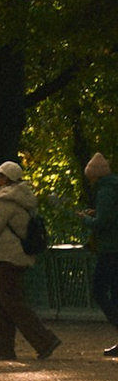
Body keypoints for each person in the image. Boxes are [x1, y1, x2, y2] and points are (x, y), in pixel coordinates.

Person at [0, 156, 61, 364]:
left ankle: (44, 340)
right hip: (18, 256)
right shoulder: (25, 200)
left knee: (12, 303)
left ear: (6, 179)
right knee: (3, 305)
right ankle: (3, 348)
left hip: (7, 256)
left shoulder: (4, 201)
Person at [85, 151, 118, 358]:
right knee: (115, 294)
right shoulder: (114, 187)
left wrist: (85, 220)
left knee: (99, 290)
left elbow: (103, 223)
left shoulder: (105, 191)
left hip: (110, 250)